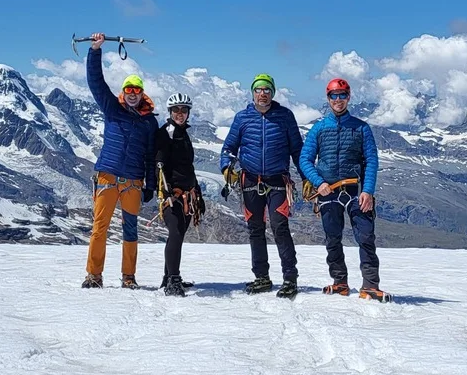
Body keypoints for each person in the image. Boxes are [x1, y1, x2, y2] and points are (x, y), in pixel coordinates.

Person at [298, 78, 391, 302]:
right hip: (328, 190)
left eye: (342, 95)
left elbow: (371, 160)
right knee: (332, 238)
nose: (338, 99)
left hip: (356, 191)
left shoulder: (361, 128)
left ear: (348, 97)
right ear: (328, 98)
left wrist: (368, 190)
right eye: (334, 95)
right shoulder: (319, 128)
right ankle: (340, 282)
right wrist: (318, 182)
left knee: (366, 236)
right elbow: (305, 159)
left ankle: (370, 285)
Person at [83, 32, 158, 289]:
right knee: (99, 227)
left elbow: (150, 156)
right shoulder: (111, 108)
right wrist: (95, 51)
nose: (133, 93)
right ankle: (94, 275)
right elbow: (96, 82)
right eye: (128, 89)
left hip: (133, 181)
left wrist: (150, 185)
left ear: (142, 93)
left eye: (137, 90)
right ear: (123, 92)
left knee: (130, 229)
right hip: (107, 175)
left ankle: (129, 276)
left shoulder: (149, 122)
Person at [220, 73, 304, 298]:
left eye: (267, 89)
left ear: (273, 93)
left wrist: (307, 177)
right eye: (258, 89)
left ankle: (290, 278)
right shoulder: (242, 118)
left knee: (279, 226)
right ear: (253, 93)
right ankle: (262, 277)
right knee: (255, 229)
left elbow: (297, 150)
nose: (262, 93)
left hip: (278, 180)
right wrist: (226, 167)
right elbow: (229, 147)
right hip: (250, 180)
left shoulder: (285, 116)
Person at [155, 92, 206, 297]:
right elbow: (159, 164)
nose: (180, 113)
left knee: (178, 235)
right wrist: (166, 191)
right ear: (170, 111)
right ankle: (173, 280)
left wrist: (197, 191)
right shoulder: (165, 133)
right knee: (175, 233)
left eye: (184, 110)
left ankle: (169, 276)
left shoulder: (183, 133)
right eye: (176, 109)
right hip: (172, 194)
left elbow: (187, 167)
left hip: (187, 193)